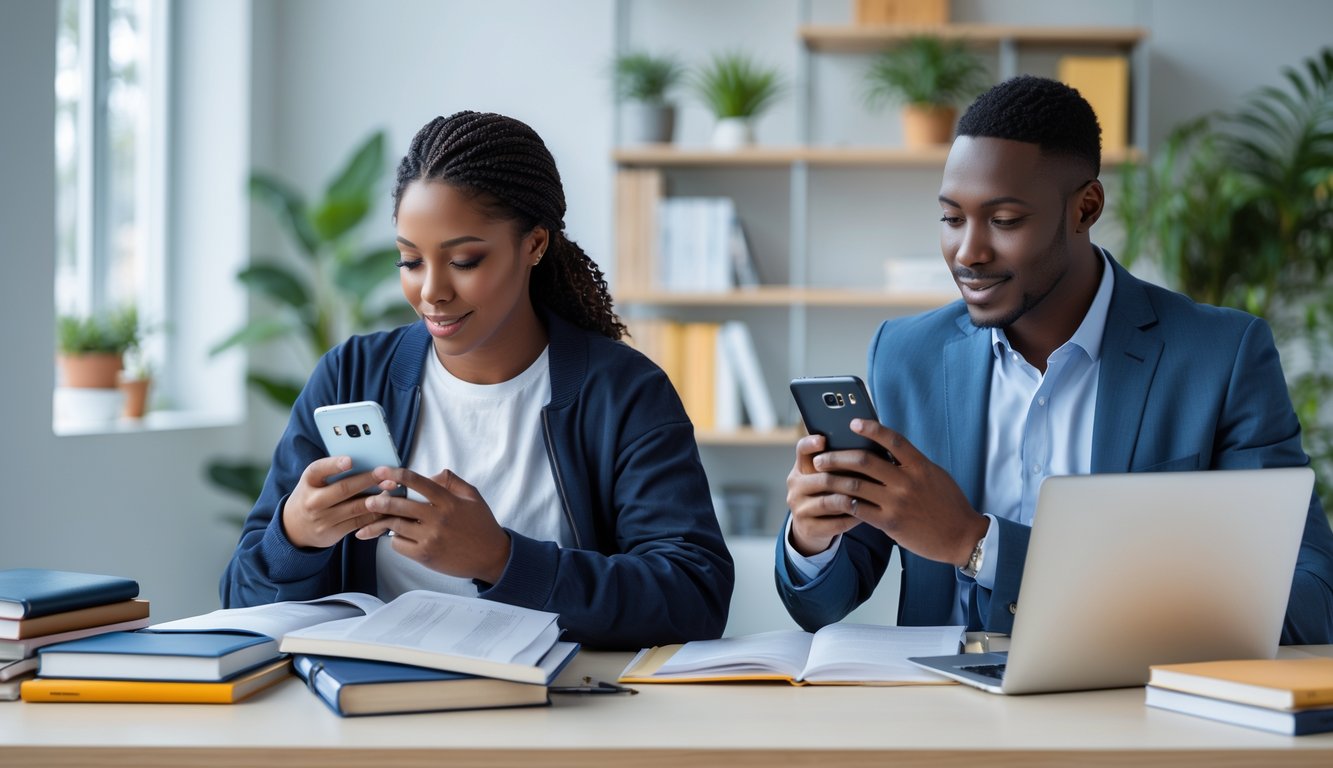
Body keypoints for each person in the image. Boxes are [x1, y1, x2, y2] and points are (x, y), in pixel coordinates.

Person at [775, 75, 1333, 645]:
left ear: (1085, 208)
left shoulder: (1221, 356)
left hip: (1126, 711)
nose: (968, 251)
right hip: (939, 717)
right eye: (951, 218)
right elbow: (822, 602)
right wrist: (813, 539)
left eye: (1005, 220)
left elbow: (1308, 600)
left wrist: (978, 544)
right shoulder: (906, 354)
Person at [222, 110, 734, 649]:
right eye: (410, 261)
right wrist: (294, 537)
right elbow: (240, 600)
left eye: (464, 260)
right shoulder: (351, 375)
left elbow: (694, 597)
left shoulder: (624, 392)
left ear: (534, 245)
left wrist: (501, 559)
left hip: (557, 709)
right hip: (370, 702)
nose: (431, 292)